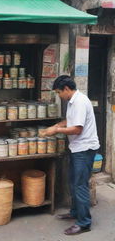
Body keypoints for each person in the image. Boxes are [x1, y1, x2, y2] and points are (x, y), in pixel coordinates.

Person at [42, 75, 100, 235]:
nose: (59, 96)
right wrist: (56, 125)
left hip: (85, 149)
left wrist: (56, 130)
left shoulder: (80, 102)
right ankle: (75, 212)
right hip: (77, 148)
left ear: (66, 89)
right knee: (73, 182)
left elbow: (77, 129)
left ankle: (84, 223)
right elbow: (70, 121)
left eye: (59, 92)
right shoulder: (72, 101)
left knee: (80, 185)